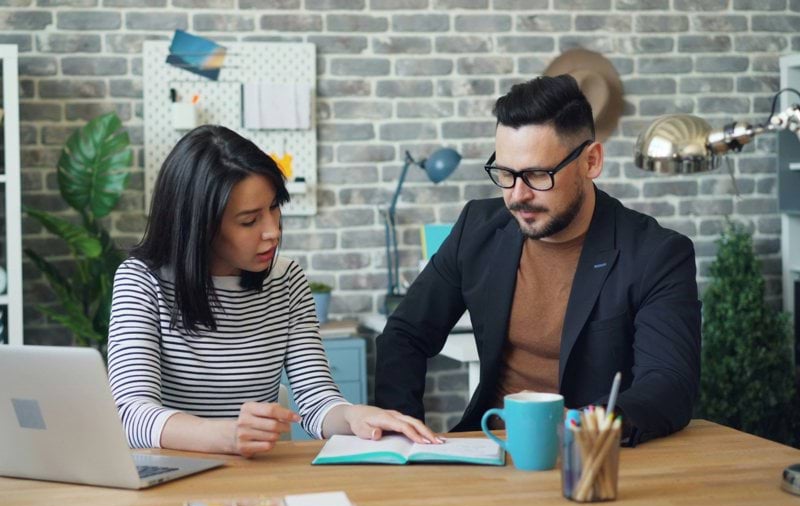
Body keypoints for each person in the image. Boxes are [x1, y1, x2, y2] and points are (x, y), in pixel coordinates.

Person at [375, 75, 701, 446]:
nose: (517, 196)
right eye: (506, 173)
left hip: (589, 457)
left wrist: (583, 424)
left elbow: (669, 384)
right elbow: (405, 334)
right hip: (487, 447)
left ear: (591, 161)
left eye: (536, 175)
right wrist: (403, 437)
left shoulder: (656, 255)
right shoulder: (477, 229)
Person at [108, 125, 440, 458]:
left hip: (257, 484)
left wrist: (353, 415)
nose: (272, 232)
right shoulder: (141, 281)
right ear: (200, 226)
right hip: (167, 481)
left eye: (274, 207)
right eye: (249, 221)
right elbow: (129, 413)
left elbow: (316, 400)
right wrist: (224, 436)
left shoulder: (287, 280)